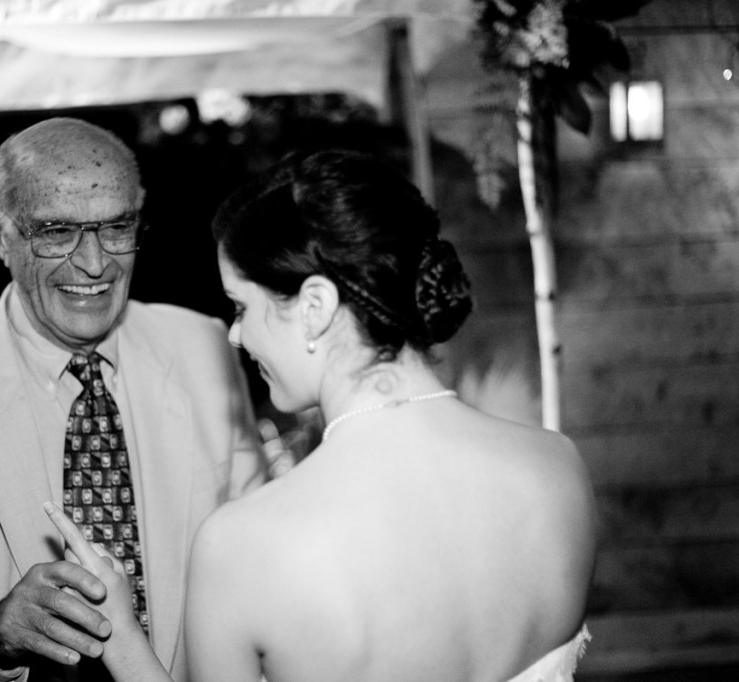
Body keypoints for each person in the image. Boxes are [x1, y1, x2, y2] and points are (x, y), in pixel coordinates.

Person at [49, 149, 598, 682]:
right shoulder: (558, 465)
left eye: (241, 307)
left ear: (314, 307)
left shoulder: (242, 546)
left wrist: (119, 634)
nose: (236, 335)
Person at [0, 117, 267, 682]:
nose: (94, 264)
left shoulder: (206, 347)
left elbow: (258, 562)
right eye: (57, 232)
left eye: (117, 227)